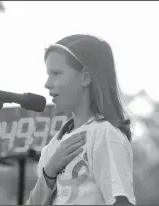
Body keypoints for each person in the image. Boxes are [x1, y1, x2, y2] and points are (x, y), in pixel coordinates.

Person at [25, 34, 136, 205]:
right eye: (48, 74)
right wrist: (49, 171)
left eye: (56, 73)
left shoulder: (105, 135)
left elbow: (120, 201)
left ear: (85, 78)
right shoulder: (51, 149)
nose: (47, 83)